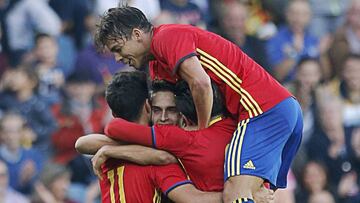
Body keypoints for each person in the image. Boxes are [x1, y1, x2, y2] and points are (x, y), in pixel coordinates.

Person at [95, 6, 302, 203]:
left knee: (235, 192)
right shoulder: (157, 64)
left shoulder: (166, 37)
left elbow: (200, 83)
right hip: (275, 110)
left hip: (262, 109)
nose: (118, 57)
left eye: (118, 48)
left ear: (137, 34)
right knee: (254, 194)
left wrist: (203, 131)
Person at [76, 71, 223, 203]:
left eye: (171, 110)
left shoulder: (110, 157)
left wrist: (110, 151)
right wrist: (237, 193)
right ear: (148, 107)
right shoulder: (154, 161)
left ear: (182, 113)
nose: (164, 118)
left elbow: (84, 143)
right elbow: (194, 199)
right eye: (157, 110)